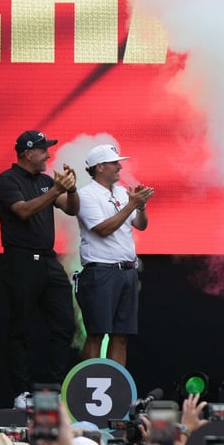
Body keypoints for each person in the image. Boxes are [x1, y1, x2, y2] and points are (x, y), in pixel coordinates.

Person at [0, 130, 79, 409]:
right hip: (20, 260)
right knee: (20, 328)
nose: (49, 155)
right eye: (44, 150)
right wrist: (56, 190)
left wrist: (72, 189)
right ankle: (21, 392)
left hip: (48, 261)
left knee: (65, 324)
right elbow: (22, 211)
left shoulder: (45, 181)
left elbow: (70, 209)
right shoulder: (7, 181)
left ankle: (53, 389)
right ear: (28, 153)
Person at [76, 143, 154, 366]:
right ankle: (87, 389)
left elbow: (141, 225)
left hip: (127, 271)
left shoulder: (122, 192)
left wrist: (141, 207)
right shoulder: (86, 195)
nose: (119, 167)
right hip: (101, 272)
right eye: (114, 163)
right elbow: (103, 229)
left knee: (121, 336)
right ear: (100, 167)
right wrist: (131, 205)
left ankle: (115, 392)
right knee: (97, 333)